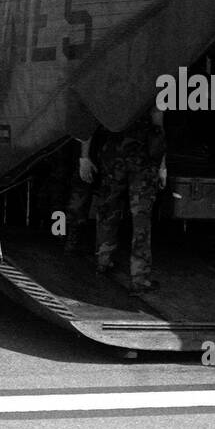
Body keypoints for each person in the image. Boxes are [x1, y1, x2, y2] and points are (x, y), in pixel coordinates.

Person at [94, 107, 167, 293]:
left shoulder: (108, 86)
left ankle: (103, 259)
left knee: (108, 209)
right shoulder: (151, 83)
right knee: (140, 218)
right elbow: (158, 128)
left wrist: (85, 156)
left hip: (113, 155)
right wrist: (162, 165)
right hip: (142, 159)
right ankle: (139, 277)